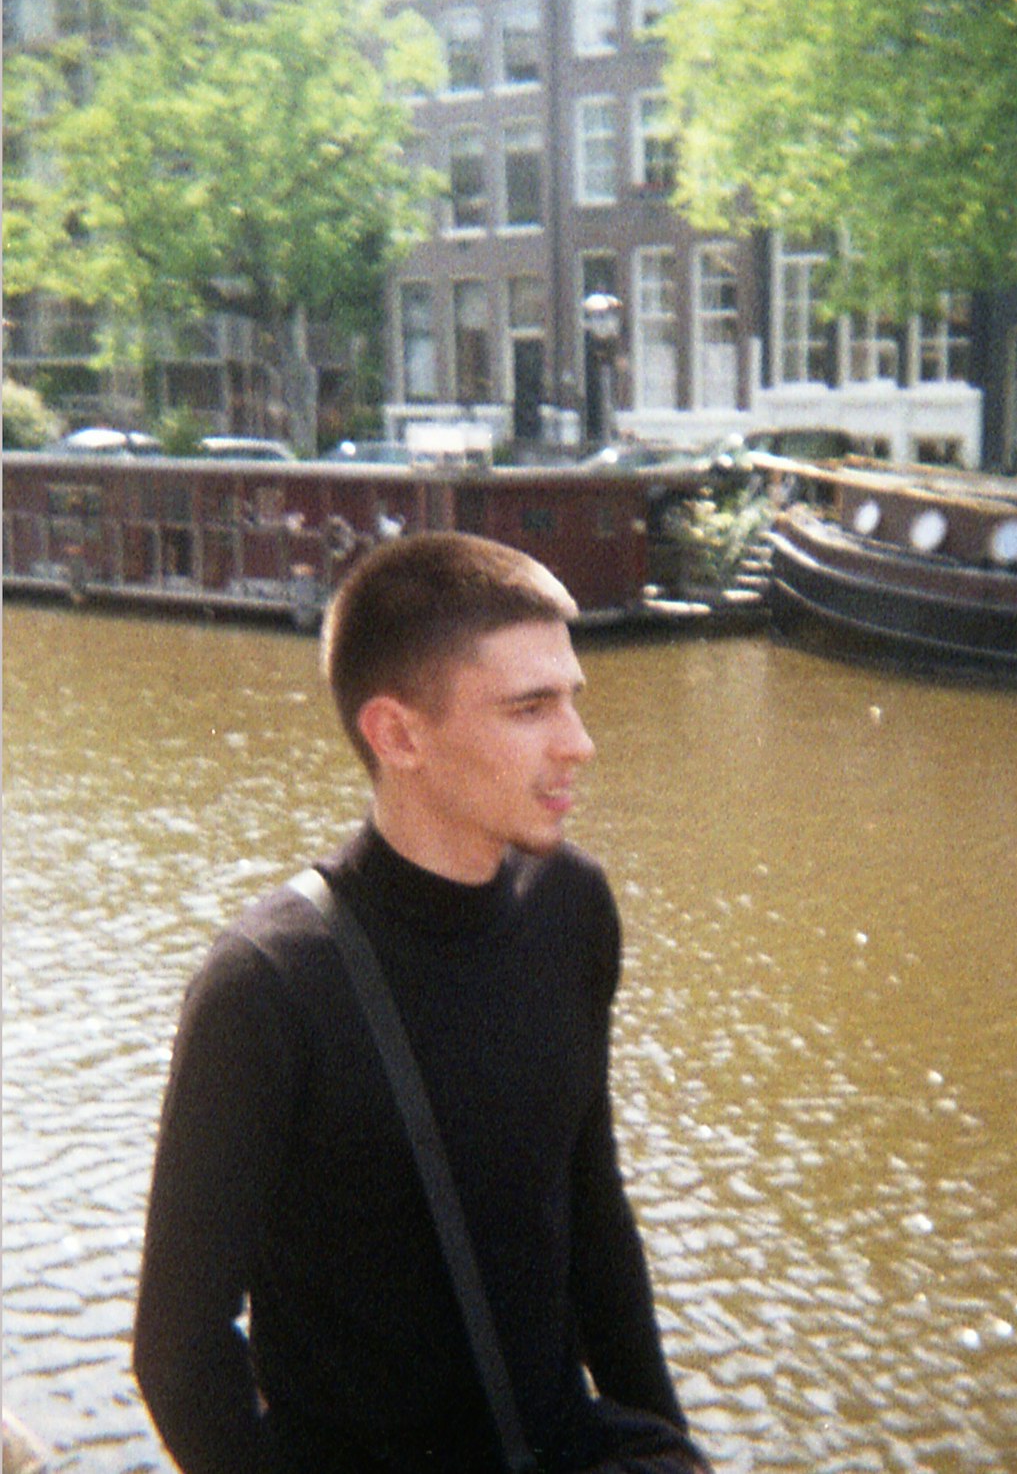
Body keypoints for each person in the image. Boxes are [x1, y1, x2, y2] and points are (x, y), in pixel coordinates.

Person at [133, 531, 707, 1474]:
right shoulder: (269, 987)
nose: (580, 743)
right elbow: (180, 1349)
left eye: (572, 699)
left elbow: (592, 1207)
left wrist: (668, 1439)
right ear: (398, 735)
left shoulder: (574, 907)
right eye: (530, 709)